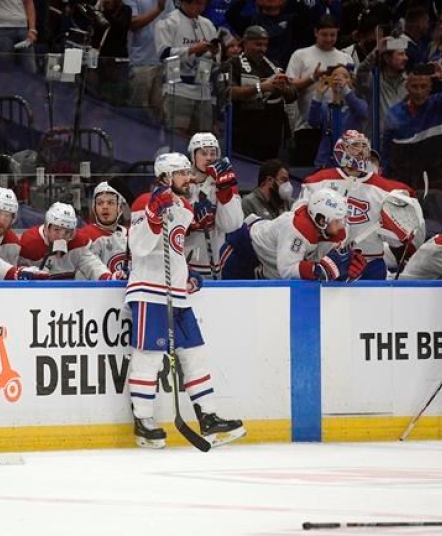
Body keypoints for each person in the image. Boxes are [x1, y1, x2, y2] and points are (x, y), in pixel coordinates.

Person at [125, 152, 245, 449]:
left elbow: (173, 249)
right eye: (182, 173)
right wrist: (153, 217)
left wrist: (187, 274)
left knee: (195, 354)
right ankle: (143, 421)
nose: (189, 178)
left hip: (177, 294)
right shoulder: (145, 202)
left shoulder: (185, 208)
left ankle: (208, 417)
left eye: (188, 173)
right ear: (165, 177)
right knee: (148, 357)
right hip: (149, 290)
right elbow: (139, 248)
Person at [297, 130, 421, 279]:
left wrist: (399, 232)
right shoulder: (317, 182)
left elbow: (396, 240)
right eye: (355, 146)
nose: (361, 151)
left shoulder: (386, 190)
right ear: (341, 149)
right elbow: (299, 223)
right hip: (327, 263)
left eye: (363, 146)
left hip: (370, 264)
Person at [222, 188, 367, 280]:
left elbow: (325, 266)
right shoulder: (297, 228)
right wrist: (316, 270)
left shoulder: (331, 230)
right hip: (244, 251)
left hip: (269, 264)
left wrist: (345, 270)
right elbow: (287, 270)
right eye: (337, 221)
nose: (342, 225)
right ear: (321, 220)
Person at [286, 15, 354, 166]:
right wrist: (312, 77)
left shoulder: (346, 58)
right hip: (307, 126)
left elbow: (353, 87)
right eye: (324, 35)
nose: (329, 39)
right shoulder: (300, 55)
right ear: (316, 32)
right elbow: (290, 85)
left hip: (339, 125)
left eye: (332, 35)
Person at [227, 25, 297, 161]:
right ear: (245, 42)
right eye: (258, 44)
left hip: (272, 134)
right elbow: (229, 92)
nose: (262, 49)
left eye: (265, 45)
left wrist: (284, 88)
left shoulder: (273, 65)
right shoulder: (233, 64)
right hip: (244, 133)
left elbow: (293, 95)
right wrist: (260, 87)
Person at [183, 132, 244, 279]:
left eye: (213, 153)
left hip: (213, 267)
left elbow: (232, 225)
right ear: (193, 156)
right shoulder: (181, 182)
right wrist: (191, 220)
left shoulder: (224, 184)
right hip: (182, 265)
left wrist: (224, 191)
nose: (209, 158)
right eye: (204, 153)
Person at [383, 61, 442, 191]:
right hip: (405, 185)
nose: (419, 92)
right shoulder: (394, 114)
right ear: (406, 87)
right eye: (414, 86)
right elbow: (387, 154)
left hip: (437, 184)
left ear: (430, 87)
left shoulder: (440, 105)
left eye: (423, 86)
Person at [155, 0, 220, 135]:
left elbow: (216, 58)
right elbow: (163, 54)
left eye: (203, 4)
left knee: (202, 138)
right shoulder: (169, 21)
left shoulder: (207, 24)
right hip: (178, 89)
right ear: (184, 2)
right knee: (177, 136)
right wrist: (192, 50)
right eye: (197, 3)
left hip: (203, 90)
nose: (200, 8)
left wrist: (213, 53)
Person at [20, 202, 122, 280]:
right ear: (47, 228)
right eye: (56, 230)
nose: (61, 236)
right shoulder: (30, 243)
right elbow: (19, 272)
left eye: (66, 232)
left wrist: (107, 277)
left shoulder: (78, 243)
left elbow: (93, 265)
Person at [307, 64, 368, 168]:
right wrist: (318, 96)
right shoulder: (326, 106)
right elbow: (313, 122)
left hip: (350, 163)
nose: (338, 79)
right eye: (334, 76)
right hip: (326, 162)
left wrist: (346, 91)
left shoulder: (358, 104)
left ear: (351, 82)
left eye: (344, 76)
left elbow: (363, 113)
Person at [123, 0, 175, 120]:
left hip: (163, 63)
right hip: (141, 62)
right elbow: (132, 23)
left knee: (159, 113)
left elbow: (174, 22)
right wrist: (158, 9)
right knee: (138, 111)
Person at [77, 182, 129, 272]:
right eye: (100, 203)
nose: (105, 207)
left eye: (110, 203)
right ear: (94, 208)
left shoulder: (131, 234)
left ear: (120, 208)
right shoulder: (84, 236)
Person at [0, 0, 38, 74]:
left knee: (30, 71)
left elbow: (28, 2)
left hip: (22, 28)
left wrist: (32, 29)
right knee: (4, 73)